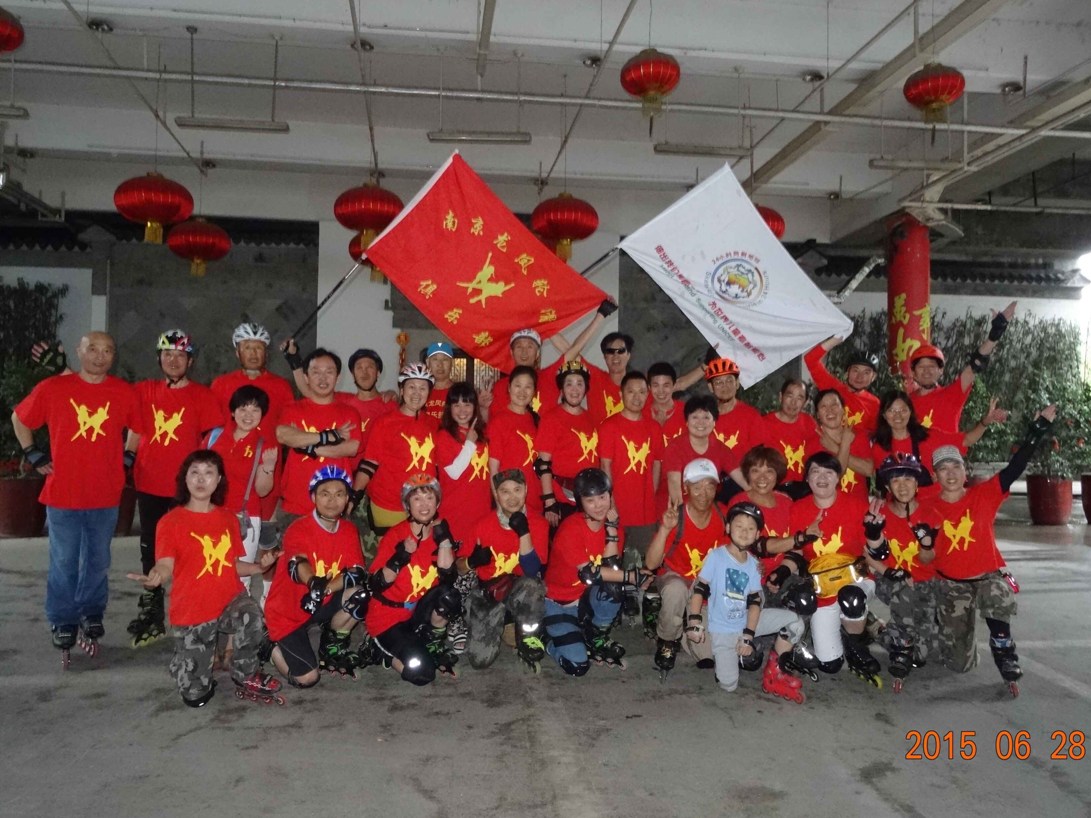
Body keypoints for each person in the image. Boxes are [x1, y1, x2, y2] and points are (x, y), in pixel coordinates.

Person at [12, 331, 139, 656]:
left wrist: (128, 457)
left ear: (114, 356)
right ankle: (63, 618)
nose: (100, 355)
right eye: (93, 349)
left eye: (107, 350)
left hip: (105, 494)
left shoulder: (122, 391)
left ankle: (92, 611)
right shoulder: (54, 388)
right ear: (79, 352)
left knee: (98, 561)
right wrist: (33, 453)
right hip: (63, 495)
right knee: (65, 561)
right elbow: (20, 417)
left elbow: (139, 426)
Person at [917, 407, 1055, 696]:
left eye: (955, 467)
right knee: (958, 665)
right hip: (952, 585)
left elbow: (1016, 466)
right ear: (935, 475)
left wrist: (1037, 430)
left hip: (987, 577)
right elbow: (926, 559)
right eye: (943, 469)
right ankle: (958, 635)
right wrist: (926, 545)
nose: (951, 474)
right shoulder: (927, 510)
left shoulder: (984, 494)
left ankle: (1004, 650)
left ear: (964, 470)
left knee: (997, 594)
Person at [126, 450, 281, 707]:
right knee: (196, 696)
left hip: (227, 600)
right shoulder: (170, 521)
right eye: (194, 473)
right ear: (184, 479)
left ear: (218, 480)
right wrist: (156, 576)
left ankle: (246, 673)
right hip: (193, 609)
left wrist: (258, 567)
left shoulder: (227, 518)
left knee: (251, 612)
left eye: (208, 473)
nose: (201, 479)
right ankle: (184, 660)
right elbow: (165, 564)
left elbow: (231, 565)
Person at [125, 330, 224, 647]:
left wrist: (206, 477)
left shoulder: (202, 395)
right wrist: (127, 459)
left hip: (188, 489)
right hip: (150, 482)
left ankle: (193, 611)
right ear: (159, 359)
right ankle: (152, 611)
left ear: (190, 361)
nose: (173, 360)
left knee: (191, 550)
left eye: (180, 355)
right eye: (167, 354)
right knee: (151, 549)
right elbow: (134, 428)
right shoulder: (144, 390)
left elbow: (215, 437)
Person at [684, 502, 807, 703]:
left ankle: (775, 670)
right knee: (729, 685)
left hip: (745, 624)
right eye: (739, 526)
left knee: (795, 622)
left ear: (758, 534)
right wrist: (695, 620)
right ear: (728, 528)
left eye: (750, 529)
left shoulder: (753, 564)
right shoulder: (716, 556)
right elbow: (700, 589)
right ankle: (725, 660)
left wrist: (748, 636)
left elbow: (755, 602)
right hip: (722, 630)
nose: (744, 532)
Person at [264, 466, 371, 685]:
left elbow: (356, 572)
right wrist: (313, 582)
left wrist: (325, 589)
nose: (332, 500)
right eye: (325, 493)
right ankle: (269, 647)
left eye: (339, 494)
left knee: (360, 593)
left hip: (319, 601)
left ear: (347, 499)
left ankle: (332, 646)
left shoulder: (349, 530)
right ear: (313, 496)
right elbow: (297, 565)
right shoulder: (299, 528)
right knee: (307, 679)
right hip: (288, 612)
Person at [541, 468, 650, 675]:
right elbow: (590, 574)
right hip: (559, 603)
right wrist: (633, 577)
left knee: (613, 585)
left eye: (603, 497)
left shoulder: (615, 529)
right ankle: (546, 640)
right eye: (591, 500)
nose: (599, 505)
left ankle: (595, 635)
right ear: (580, 502)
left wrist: (611, 532)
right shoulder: (570, 529)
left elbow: (611, 570)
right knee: (578, 666)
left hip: (584, 600)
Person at [786, 452, 882, 687]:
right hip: (823, 588)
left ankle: (857, 643)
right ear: (807, 479)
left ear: (838, 477)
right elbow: (795, 552)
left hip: (856, 580)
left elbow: (876, 550)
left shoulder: (858, 505)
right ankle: (855, 626)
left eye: (829, 472)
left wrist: (875, 536)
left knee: (851, 599)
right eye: (815, 472)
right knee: (830, 665)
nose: (822, 477)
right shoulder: (797, 509)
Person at [363, 473, 462, 685]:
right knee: (422, 673)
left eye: (429, 498)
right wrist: (400, 557)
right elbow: (375, 585)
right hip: (388, 619)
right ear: (408, 505)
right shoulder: (396, 535)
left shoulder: (439, 533)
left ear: (437, 503)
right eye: (417, 499)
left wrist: (444, 540)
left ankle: (434, 643)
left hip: (416, 613)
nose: (424, 505)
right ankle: (379, 651)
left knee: (449, 596)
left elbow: (448, 578)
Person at [459, 469, 550, 671]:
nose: (512, 497)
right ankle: (503, 621)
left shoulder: (539, 523)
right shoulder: (481, 525)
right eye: (505, 491)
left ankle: (527, 637)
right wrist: (472, 561)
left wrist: (523, 531)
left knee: (533, 586)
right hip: (489, 591)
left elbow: (531, 569)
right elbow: (460, 569)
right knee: (480, 660)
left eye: (517, 490)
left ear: (526, 490)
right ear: (496, 494)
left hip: (519, 588)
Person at [644, 458, 725, 677]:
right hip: (675, 577)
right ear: (686, 488)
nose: (703, 493)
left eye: (709, 486)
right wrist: (664, 529)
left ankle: (686, 632)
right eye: (697, 487)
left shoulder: (723, 516)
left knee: (707, 656)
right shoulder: (676, 516)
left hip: (704, 587)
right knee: (676, 590)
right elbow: (651, 564)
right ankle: (668, 640)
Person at [863, 453, 938, 691]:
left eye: (908, 479)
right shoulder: (878, 512)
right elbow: (867, 553)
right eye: (896, 480)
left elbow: (930, 558)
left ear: (917, 483)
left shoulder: (931, 513)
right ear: (887, 485)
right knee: (904, 592)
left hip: (924, 582)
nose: (903, 486)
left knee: (921, 654)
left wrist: (926, 542)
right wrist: (890, 572)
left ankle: (874, 627)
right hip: (889, 579)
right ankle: (902, 644)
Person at [211, 323, 295, 520]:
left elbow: (289, 430)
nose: (253, 353)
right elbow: (214, 431)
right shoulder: (221, 385)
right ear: (237, 352)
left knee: (263, 537)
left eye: (259, 348)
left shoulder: (281, 387)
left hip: (267, 471)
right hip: (230, 475)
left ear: (266, 353)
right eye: (247, 347)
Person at [207, 385, 278, 606]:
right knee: (209, 570)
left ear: (262, 414)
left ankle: (235, 635)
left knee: (241, 577)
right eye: (243, 409)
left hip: (244, 518)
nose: (248, 416)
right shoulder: (215, 437)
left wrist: (269, 467)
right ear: (232, 411)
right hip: (211, 515)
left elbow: (263, 491)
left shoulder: (264, 444)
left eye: (255, 410)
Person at [598, 371, 664, 606]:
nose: (637, 397)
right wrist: (610, 502)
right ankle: (615, 605)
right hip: (618, 506)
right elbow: (605, 465)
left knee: (649, 560)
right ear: (621, 393)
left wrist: (651, 492)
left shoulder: (654, 428)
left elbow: (656, 463)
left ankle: (646, 605)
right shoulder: (609, 426)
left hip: (645, 507)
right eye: (631, 391)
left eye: (642, 392)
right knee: (616, 559)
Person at [275, 348, 361, 518]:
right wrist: (328, 436)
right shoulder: (293, 409)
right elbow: (283, 435)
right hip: (296, 502)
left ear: (337, 378)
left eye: (329, 372)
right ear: (306, 377)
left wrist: (309, 448)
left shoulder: (349, 413)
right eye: (316, 372)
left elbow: (351, 447)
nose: (323, 378)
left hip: (335, 505)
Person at [352, 363, 437, 532]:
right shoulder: (385, 423)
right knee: (390, 556)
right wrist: (354, 496)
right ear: (402, 390)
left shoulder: (433, 424)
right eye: (411, 387)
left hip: (424, 506)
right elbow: (370, 463)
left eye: (422, 388)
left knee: (418, 557)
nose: (416, 393)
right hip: (390, 505)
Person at [909, 301, 1015, 432]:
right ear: (913, 373)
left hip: (948, 452)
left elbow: (975, 365)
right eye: (921, 367)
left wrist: (994, 334)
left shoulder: (952, 394)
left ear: (941, 371)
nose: (926, 371)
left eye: (931, 366)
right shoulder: (905, 402)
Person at [861, 390, 1004, 487]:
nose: (898, 416)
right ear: (884, 415)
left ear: (910, 412)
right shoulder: (878, 446)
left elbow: (967, 440)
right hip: (900, 513)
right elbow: (879, 480)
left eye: (903, 410)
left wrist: (985, 422)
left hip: (933, 508)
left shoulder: (928, 436)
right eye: (891, 410)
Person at [535, 360, 599, 526]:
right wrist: (550, 502)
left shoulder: (591, 418)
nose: (575, 389)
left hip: (590, 497)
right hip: (562, 498)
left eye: (580, 384)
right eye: (569, 384)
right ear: (562, 389)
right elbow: (543, 463)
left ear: (586, 389)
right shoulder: (551, 419)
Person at [434, 382, 491, 547]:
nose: (462, 410)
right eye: (456, 405)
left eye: (467, 404)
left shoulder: (481, 433)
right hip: (455, 509)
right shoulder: (444, 436)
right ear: (449, 408)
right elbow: (453, 472)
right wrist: (469, 445)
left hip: (481, 507)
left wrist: (485, 409)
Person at [486, 365, 544, 516]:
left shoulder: (535, 420)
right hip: (509, 503)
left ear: (534, 392)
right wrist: (500, 505)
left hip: (535, 500)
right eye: (518, 386)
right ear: (509, 388)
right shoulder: (499, 421)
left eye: (528, 387)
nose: (522, 392)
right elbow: (493, 469)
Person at [661, 395, 734, 513]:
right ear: (686, 422)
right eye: (695, 417)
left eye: (706, 417)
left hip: (706, 509)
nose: (701, 423)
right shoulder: (675, 447)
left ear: (714, 422)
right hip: (676, 511)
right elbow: (674, 487)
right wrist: (683, 518)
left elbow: (741, 478)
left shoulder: (720, 448)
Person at [804, 338, 881, 436]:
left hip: (855, 450)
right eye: (855, 370)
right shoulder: (832, 388)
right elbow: (810, 359)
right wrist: (835, 340)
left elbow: (875, 437)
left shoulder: (874, 403)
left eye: (866, 372)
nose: (859, 377)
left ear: (873, 377)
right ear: (847, 372)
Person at [703, 357, 761, 488]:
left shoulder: (751, 415)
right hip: (710, 483)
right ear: (710, 387)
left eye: (729, 380)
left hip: (743, 482)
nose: (725, 386)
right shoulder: (703, 418)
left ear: (737, 383)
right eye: (719, 382)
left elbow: (760, 456)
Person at [755, 378, 819, 485]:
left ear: (805, 402)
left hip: (803, 487)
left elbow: (818, 457)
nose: (793, 402)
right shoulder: (764, 424)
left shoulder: (809, 423)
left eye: (799, 398)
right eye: (789, 396)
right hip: (773, 487)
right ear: (781, 397)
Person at [812, 388, 871, 500]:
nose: (830, 410)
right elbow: (836, 476)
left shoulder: (858, 435)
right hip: (830, 509)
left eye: (834, 405)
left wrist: (835, 448)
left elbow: (868, 470)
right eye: (823, 406)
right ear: (818, 415)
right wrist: (845, 444)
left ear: (843, 410)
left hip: (859, 507)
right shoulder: (814, 443)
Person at [644, 362, 689, 448]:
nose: (661, 391)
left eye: (666, 385)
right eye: (656, 385)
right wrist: (657, 426)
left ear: (674, 386)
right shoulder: (641, 413)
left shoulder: (687, 412)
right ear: (649, 387)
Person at [422, 341, 456, 425]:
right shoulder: (420, 391)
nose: (440, 364)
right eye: (435, 359)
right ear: (427, 362)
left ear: (452, 363)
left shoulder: (460, 391)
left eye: (445, 359)